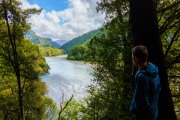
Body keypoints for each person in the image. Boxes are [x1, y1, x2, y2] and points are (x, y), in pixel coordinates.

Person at [130, 45, 161, 120]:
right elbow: (159, 89)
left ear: (136, 58)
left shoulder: (142, 77)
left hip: (145, 116)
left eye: (132, 57)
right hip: (154, 112)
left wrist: (133, 109)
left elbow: (141, 102)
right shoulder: (154, 69)